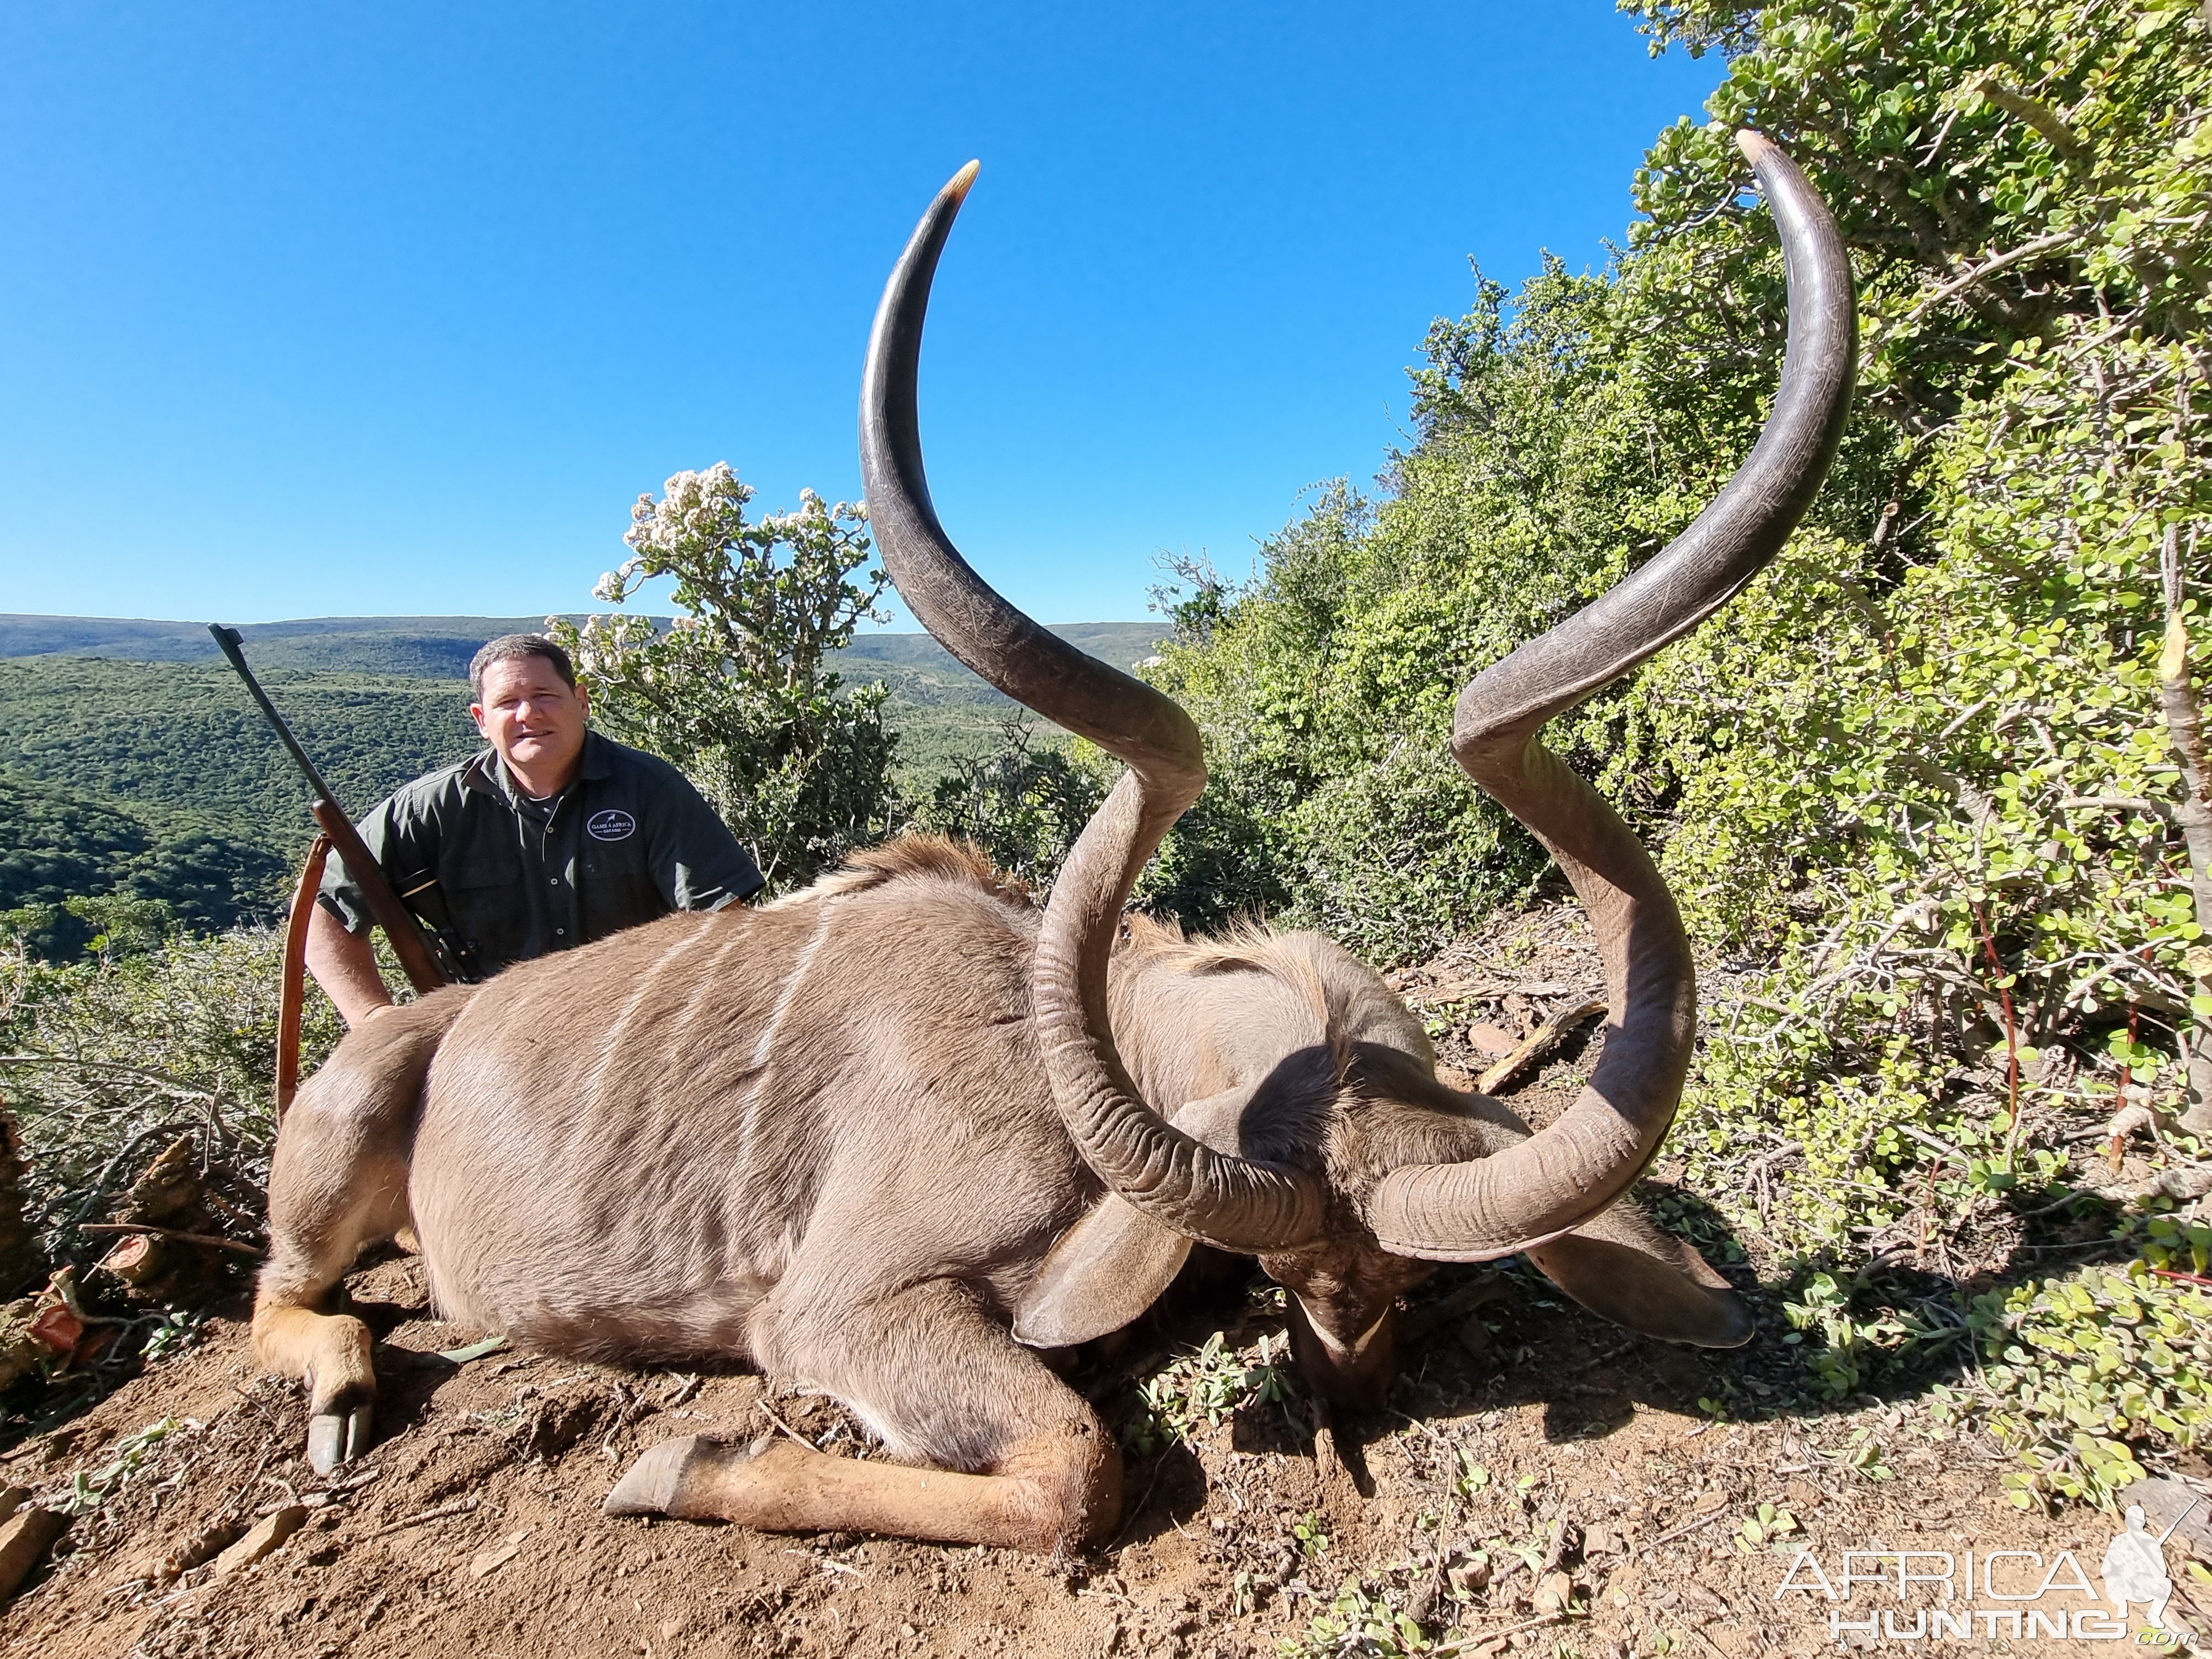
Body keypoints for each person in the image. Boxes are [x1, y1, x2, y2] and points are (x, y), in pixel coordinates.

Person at [306, 633, 764, 1026]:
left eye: (546, 695)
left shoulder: (651, 790)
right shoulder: (424, 809)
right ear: (482, 721)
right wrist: (371, 1018)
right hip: (486, 1043)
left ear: (581, 702)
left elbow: (721, 922)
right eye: (507, 702)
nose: (529, 714)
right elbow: (321, 913)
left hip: (630, 1031)